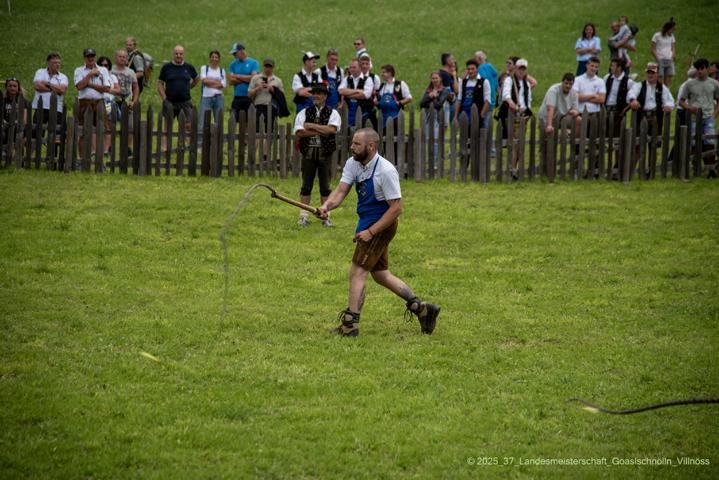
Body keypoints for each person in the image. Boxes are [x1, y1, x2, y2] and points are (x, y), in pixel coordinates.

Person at [316, 128, 441, 337]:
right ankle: (422, 309)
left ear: (371, 146)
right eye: (352, 142)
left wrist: (371, 232)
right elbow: (341, 190)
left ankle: (350, 325)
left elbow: (396, 208)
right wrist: (327, 206)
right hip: (367, 222)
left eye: (357, 144)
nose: (352, 147)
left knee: (358, 271)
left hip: (382, 224)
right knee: (380, 274)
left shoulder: (385, 171)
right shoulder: (353, 163)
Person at [294, 83, 341, 227]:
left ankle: (326, 217)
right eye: (314, 93)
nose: (315, 96)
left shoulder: (333, 113)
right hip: (308, 154)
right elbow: (299, 132)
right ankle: (303, 217)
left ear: (325, 96)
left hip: (325, 155)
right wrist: (322, 130)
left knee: (325, 187)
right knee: (306, 186)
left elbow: (332, 130)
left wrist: (311, 126)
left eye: (319, 93)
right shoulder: (303, 112)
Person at [628, 62, 675, 177]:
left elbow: (670, 101)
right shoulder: (639, 85)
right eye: (648, 72)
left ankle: (650, 172)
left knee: (653, 146)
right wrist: (633, 100)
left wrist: (668, 106)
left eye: (653, 73)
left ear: (657, 74)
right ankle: (630, 171)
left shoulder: (662, 88)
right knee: (637, 145)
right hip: (641, 118)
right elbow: (631, 94)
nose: (650, 75)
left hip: (655, 118)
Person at [679, 58, 719, 177]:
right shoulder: (689, 84)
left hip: (708, 116)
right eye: (698, 69)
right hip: (694, 117)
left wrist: (714, 114)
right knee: (694, 142)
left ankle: (711, 169)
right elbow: (681, 101)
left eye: (702, 68)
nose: (700, 71)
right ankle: (695, 168)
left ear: (707, 69)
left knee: (709, 142)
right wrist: (689, 108)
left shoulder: (714, 84)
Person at [74, 48, 112, 158]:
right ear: (84, 58)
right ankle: (82, 158)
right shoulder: (79, 70)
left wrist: (89, 84)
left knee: (103, 129)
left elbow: (106, 88)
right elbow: (79, 86)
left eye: (92, 56)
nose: (90, 58)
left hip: (99, 102)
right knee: (83, 132)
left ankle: (100, 157)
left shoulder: (103, 70)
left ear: (95, 57)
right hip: (84, 103)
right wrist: (90, 75)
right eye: (88, 56)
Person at [157, 45, 199, 120]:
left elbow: (196, 79)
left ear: (184, 55)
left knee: (187, 125)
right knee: (168, 125)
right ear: (173, 54)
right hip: (169, 102)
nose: (178, 56)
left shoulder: (189, 67)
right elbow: (160, 83)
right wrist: (164, 98)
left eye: (180, 54)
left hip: (185, 102)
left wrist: (188, 87)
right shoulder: (166, 67)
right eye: (176, 54)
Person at [420, 71, 451, 166]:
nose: (434, 80)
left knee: (436, 140)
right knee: (428, 140)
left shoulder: (445, 90)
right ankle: (431, 160)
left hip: (439, 119)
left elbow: (439, 104)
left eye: (436, 78)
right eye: (433, 78)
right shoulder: (428, 90)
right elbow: (422, 104)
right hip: (428, 118)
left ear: (440, 79)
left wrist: (432, 98)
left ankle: (436, 163)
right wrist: (430, 96)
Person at [198, 50, 226, 146]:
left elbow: (223, 85)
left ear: (219, 59)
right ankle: (200, 144)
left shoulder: (221, 70)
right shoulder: (204, 68)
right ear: (210, 58)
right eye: (212, 57)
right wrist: (217, 83)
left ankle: (218, 143)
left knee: (218, 120)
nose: (214, 59)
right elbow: (204, 81)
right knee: (202, 121)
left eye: (216, 57)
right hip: (206, 97)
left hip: (219, 98)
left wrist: (210, 83)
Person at [248, 58, 284, 132]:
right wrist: (257, 88)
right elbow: (249, 94)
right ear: (263, 66)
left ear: (273, 67)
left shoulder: (277, 80)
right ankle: (257, 140)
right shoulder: (255, 78)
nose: (268, 69)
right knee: (257, 130)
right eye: (266, 66)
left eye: (270, 67)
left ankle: (269, 140)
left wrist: (272, 89)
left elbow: (282, 97)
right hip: (259, 106)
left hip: (272, 107)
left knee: (271, 130)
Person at [32, 53, 69, 124]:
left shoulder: (63, 77)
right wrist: (54, 89)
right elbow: (37, 86)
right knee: (37, 129)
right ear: (48, 63)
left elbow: (62, 90)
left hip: (56, 108)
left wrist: (48, 84)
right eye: (55, 63)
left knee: (56, 130)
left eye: (59, 63)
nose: (58, 65)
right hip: (41, 107)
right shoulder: (40, 72)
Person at [454, 59, 490, 129]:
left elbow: (487, 101)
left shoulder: (484, 82)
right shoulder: (463, 82)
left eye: (473, 69)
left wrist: (481, 115)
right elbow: (459, 99)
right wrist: (455, 116)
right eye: (469, 69)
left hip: (476, 112)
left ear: (477, 69)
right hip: (464, 112)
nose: (470, 71)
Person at [603, 57, 634, 137]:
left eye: (613, 66)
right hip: (606, 110)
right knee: (604, 133)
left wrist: (625, 109)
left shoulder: (628, 82)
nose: (611, 67)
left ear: (619, 68)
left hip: (618, 111)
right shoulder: (607, 78)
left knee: (617, 134)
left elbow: (634, 97)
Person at [338, 58, 374, 127]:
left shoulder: (368, 79)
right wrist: (357, 91)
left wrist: (347, 94)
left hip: (363, 114)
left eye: (354, 67)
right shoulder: (346, 79)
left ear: (360, 67)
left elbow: (365, 95)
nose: (351, 69)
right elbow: (340, 91)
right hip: (348, 113)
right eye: (350, 67)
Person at [228, 42, 259, 120]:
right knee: (233, 120)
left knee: (249, 121)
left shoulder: (253, 63)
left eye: (235, 53)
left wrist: (237, 76)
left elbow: (254, 78)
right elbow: (231, 81)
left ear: (241, 51)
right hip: (237, 97)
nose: (234, 55)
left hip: (249, 97)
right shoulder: (232, 65)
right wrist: (247, 78)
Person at [97, 56, 121, 156]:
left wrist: (107, 89)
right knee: (98, 126)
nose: (104, 67)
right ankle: (99, 148)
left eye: (106, 65)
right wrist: (107, 89)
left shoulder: (112, 77)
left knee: (109, 127)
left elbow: (118, 91)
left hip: (110, 102)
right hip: (98, 102)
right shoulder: (96, 76)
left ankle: (107, 150)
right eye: (101, 65)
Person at [377, 64, 411, 128]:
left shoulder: (400, 84)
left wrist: (398, 103)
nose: (381, 74)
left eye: (383, 72)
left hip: (396, 116)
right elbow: (378, 99)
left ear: (389, 73)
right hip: (383, 117)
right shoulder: (382, 86)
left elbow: (409, 98)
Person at [475, 50, 498, 129]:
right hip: (492, 98)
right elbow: (496, 84)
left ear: (480, 58)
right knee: (488, 120)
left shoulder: (481, 68)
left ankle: (483, 136)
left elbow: (482, 82)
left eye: (475, 58)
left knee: (482, 122)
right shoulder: (491, 68)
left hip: (484, 99)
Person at [651, 18, 677, 88]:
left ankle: (666, 91)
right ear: (667, 29)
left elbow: (673, 47)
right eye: (672, 29)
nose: (673, 31)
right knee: (660, 77)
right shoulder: (657, 36)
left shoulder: (672, 36)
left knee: (668, 78)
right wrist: (657, 58)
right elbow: (652, 48)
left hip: (669, 59)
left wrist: (672, 56)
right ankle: (659, 91)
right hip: (660, 59)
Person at [2, 77, 24, 147]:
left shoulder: (23, 101)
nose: (12, 88)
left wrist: (17, 123)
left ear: (18, 88)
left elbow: (24, 119)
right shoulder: (2, 100)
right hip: (4, 126)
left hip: (18, 127)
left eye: (15, 86)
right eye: (10, 86)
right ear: (6, 87)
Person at [439, 53, 459, 125]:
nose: (454, 60)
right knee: (445, 124)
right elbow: (448, 92)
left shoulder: (450, 74)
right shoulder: (445, 74)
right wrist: (452, 98)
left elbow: (456, 90)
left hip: (451, 102)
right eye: (452, 59)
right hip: (447, 103)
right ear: (447, 61)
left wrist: (454, 76)